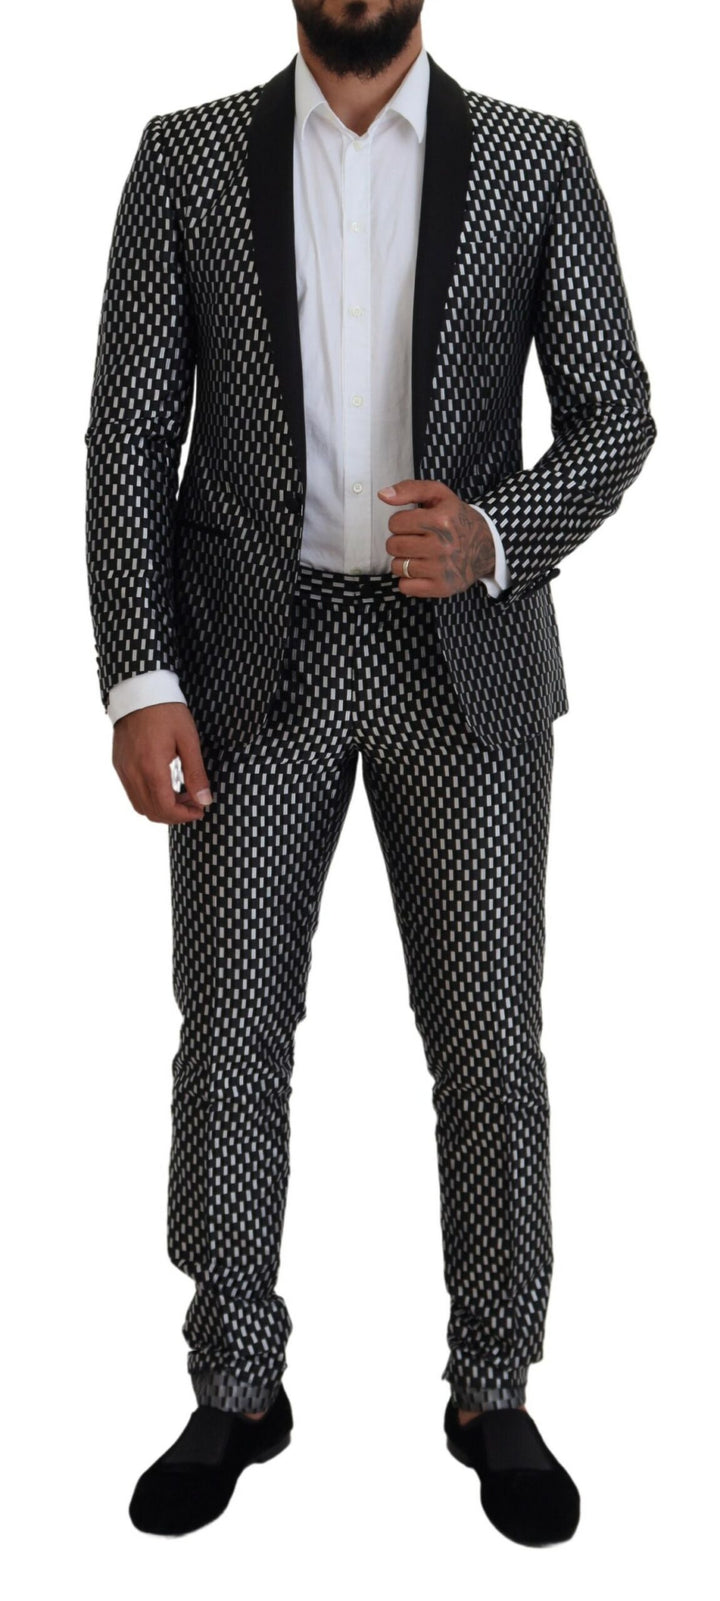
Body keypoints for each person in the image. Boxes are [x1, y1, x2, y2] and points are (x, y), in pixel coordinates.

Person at [84, 0, 656, 1546]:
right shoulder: (188, 160)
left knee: (489, 1037)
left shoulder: (536, 161)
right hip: (245, 657)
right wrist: (140, 676)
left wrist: (497, 535)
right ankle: (234, 1381)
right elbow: (130, 432)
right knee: (230, 1027)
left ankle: (495, 1383)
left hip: (458, 654)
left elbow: (617, 411)